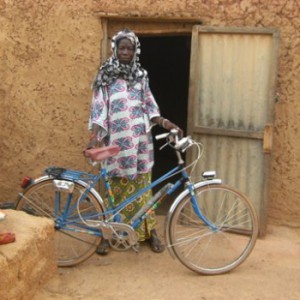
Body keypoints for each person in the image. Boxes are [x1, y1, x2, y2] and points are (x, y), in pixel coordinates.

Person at [86, 29, 182, 255]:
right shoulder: (106, 76)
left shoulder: (141, 75)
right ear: (115, 50)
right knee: (114, 192)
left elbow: (149, 105)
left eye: (129, 48)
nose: (126, 52)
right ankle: (107, 235)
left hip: (140, 144)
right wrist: (93, 139)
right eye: (122, 48)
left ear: (135, 50)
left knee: (143, 190)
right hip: (116, 145)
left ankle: (149, 233)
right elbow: (99, 109)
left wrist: (165, 122)